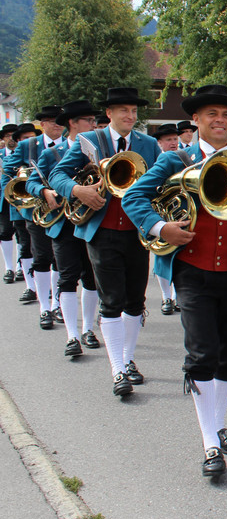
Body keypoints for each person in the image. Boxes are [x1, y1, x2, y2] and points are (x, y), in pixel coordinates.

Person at [123, 83, 227, 478]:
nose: (220, 121)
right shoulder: (175, 159)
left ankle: (218, 423)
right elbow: (133, 198)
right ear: (196, 119)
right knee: (202, 354)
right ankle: (210, 442)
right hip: (192, 273)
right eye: (212, 114)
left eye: (226, 115)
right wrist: (161, 227)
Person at [50, 87, 161, 397]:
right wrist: (78, 190)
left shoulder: (149, 144)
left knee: (135, 300)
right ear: (109, 113)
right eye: (124, 110)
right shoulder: (91, 140)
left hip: (137, 232)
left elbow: (161, 182)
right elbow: (57, 174)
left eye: (134, 111)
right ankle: (118, 369)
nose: (130, 116)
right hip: (102, 232)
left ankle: (128, 357)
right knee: (111, 300)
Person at [27, 101, 104, 357]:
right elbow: (31, 183)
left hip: (90, 222)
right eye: (88, 121)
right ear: (72, 123)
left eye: (94, 120)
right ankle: (72, 336)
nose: (93, 125)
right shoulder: (53, 153)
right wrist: (45, 191)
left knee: (91, 278)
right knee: (67, 277)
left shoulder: (96, 151)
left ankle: (88, 329)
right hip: (63, 224)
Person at [3, 106, 65, 328]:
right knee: (41, 257)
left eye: (59, 121)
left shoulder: (71, 145)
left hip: (62, 210)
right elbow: (7, 170)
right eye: (51, 121)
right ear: (43, 124)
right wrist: (18, 197)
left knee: (60, 259)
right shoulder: (28, 145)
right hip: (36, 211)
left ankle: (57, 303)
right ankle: (44, 307)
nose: (56, 124)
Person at [4, 124, 41, 293]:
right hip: (23, 206)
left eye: (32, 137)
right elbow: (6, 173)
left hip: (44, 204)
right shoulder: (19, 152)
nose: (30, 140)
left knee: (45, 250)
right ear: (19, 140)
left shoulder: (44, 149)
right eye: (26, 138)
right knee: (25, 244)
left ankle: (47, 286)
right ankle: (30, 286)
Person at [152, 123, 182, 315]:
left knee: (179, 255)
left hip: (179, 211)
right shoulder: (156, 161)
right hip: (162, 213)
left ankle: (177, 296)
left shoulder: (183, 158)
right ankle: (166, 297)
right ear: (160, 143)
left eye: (175, 139)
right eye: (168, 140)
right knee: (162, 256)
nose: (173, 142)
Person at [0, 123, 22, 283]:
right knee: (5, 232)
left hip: (22, 198)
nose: (11, 139)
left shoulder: (24, 153)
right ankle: (9, 268)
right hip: (3, 199)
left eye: (14, 135)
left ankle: (21, 266)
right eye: (8, 136)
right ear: (3, 139)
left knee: (22, 233)